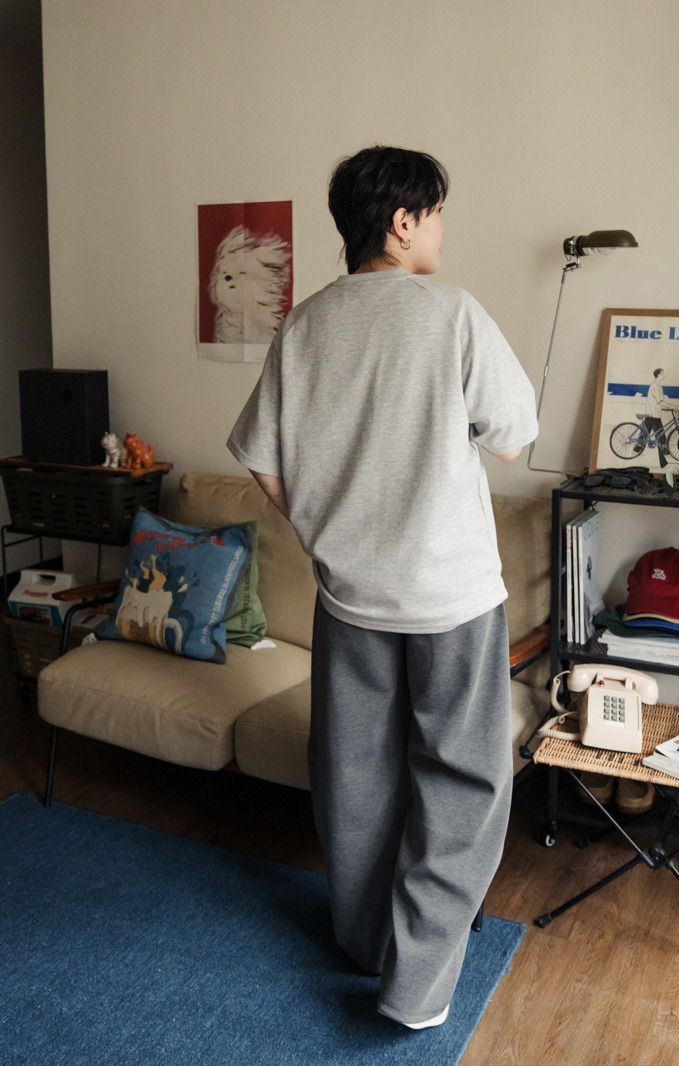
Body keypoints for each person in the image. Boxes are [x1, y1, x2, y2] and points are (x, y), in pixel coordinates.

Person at [226, 145, 538, 1030]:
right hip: (451, 601)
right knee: (463, 785)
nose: (440, 229)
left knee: (353, 779)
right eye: (434, 213)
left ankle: (366, 945)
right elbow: (514, 438)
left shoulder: (305, 326)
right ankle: (417, 987)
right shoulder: (452, 313)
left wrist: (325, 532)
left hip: (350, 598)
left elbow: (261, 460)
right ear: (403, 223)